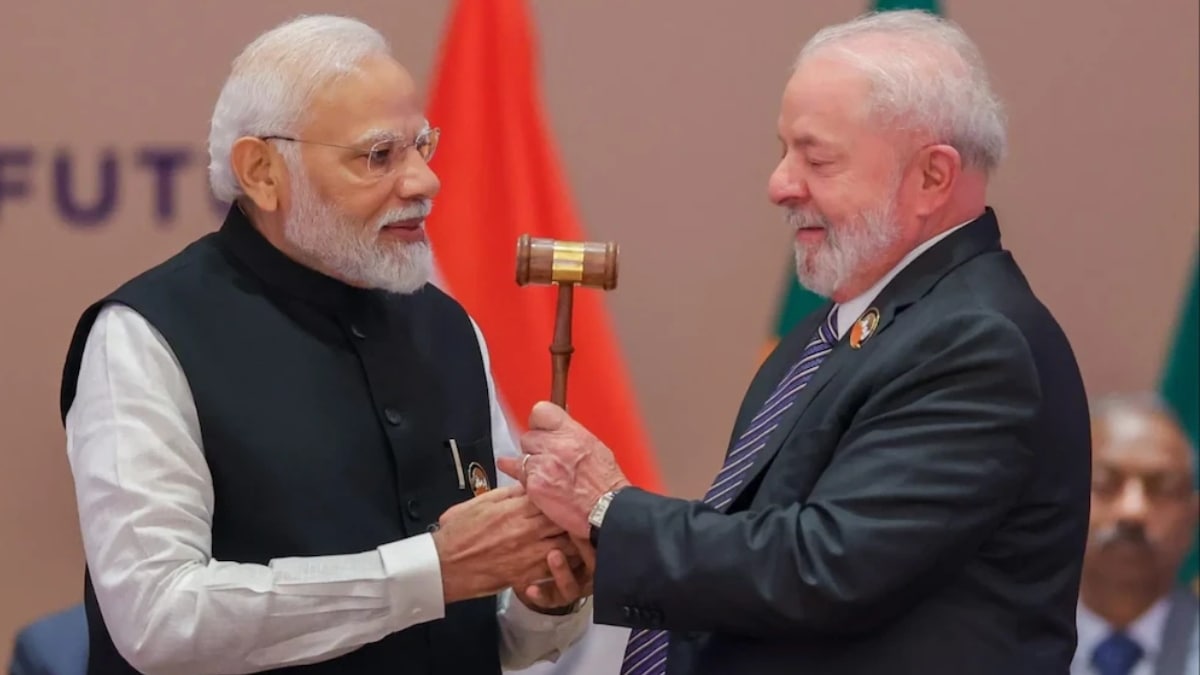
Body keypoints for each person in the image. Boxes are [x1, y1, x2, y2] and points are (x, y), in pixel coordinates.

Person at [501, 9, 1092, 675]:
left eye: (817, 159)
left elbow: (824, 568)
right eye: (783, 151)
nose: (779, 184)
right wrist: (608, 543)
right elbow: (770, 546)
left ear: (932, 176)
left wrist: (611, 510)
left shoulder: (977, 342)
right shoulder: (837, 329)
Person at [58, 14, 592, 675]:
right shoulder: (145, 336)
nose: (424, 181)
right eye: (379, 156)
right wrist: (432, 570)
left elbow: (492, 633)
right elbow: (160, 619)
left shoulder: (448, 327)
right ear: (262, 172)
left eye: (422, 146)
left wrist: (545, 600)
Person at [1072, 393, 1199, 675]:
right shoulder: (1000, 648)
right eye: (1104, 483)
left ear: (1192, 517)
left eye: (1163, 487)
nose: (1133, 510)